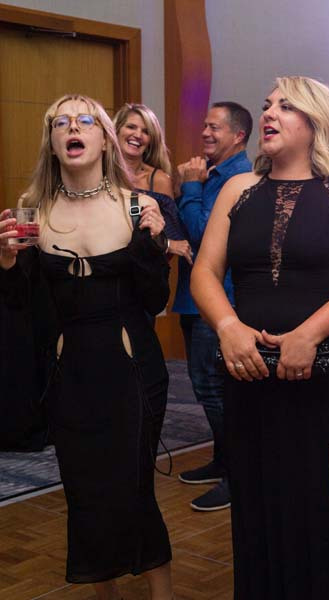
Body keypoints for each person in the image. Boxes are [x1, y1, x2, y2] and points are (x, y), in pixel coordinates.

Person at [191, 76, 329, 598]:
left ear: (316, 120)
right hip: (255, 375)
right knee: (268, 506)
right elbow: (204, 272)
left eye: (285, 106)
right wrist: (228, 327)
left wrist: (309, 334)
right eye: (267, 105)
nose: (269, 113)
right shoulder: (238, 189)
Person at [0, 94, 172, 599]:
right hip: (68, 373)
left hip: (131, 367)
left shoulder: (137, 205)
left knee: (135, 486)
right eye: (61, 122)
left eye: (84, 120)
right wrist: (6, 262)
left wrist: (154, 245)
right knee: (85, 492)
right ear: (52, 142)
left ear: (104, 139)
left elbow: (155, 300)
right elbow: (19, 306)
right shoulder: (33, 211)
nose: (72, 128)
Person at [173, 101, 253, 511]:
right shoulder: (209, 172)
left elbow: (204, 233)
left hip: (219, 297)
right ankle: (223, 462)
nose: (205, 133)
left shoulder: (238, 178)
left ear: (238, 136)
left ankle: (239, 476)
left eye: (214, 128)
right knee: (203, 384)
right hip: (192, 297)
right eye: (204, 126)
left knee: (214, 387)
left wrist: (190, 187)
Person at [114, 102, 192, 264]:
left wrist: (166, 244)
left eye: (146, 131)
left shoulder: (159, 180)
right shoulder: (98, 173)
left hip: (143, 270)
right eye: (131, 127)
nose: (138, 135)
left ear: (151, 140)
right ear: (116, 131)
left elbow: (173, 242)